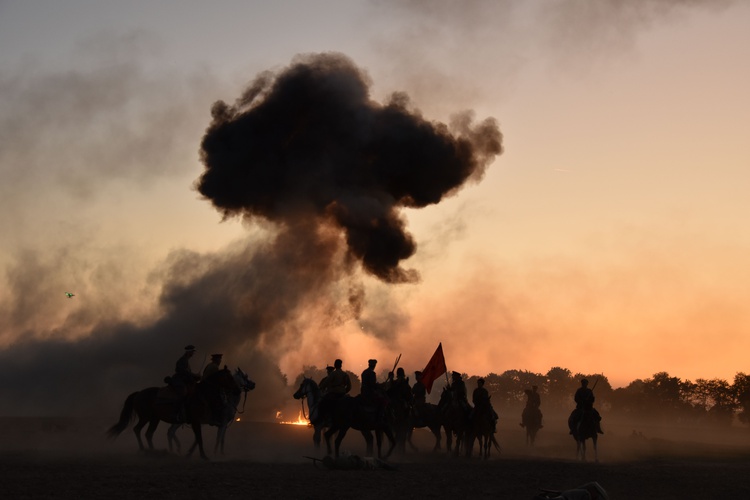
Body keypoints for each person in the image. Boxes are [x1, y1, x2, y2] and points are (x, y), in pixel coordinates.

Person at [171, 345, 201, 422]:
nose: (193, 353)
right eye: (192, 352)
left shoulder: (186, 361)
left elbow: (187, 373)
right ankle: (175, 413)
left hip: (183, 380)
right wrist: (194, 375)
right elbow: (183, 372)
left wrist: (195, 376)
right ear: (188, 352)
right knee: (182, 393)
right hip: (179, 381)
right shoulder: (182, 360)